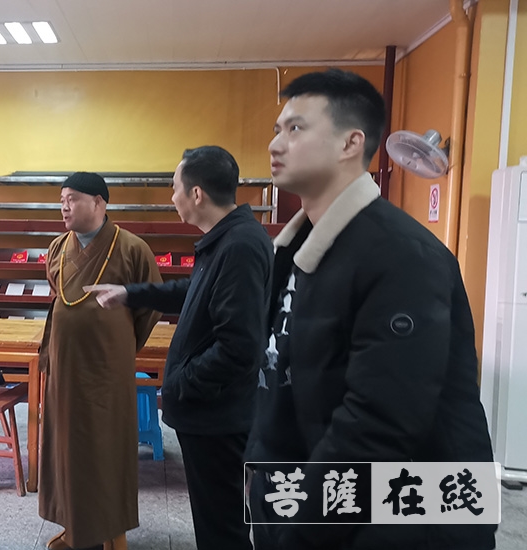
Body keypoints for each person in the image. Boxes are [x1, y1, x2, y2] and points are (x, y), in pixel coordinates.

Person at [244, 69, 496, 550]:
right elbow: (280, 373)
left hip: (398, 521)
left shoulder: (401, 255)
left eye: (295, 128)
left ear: (350, 143)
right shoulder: (296, 248)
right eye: (277, 129)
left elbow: (379, 423)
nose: (276, 144)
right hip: (310, 502)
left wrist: (302, 533)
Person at [89, 146, 273, 550]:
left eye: (175, 188)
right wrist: (130, 293)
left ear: (197, 194)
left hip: (216, 417)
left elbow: (238, 347)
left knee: (222, 529)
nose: (172, 197)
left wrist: (179, 384)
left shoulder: (239, 246)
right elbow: (193, 291)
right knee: (216, 522)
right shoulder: (226, 239)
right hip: (211, 412)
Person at [38, 172, 163, 550]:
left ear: (99, 202)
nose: (64, 207)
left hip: (107, 370)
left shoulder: (132, 248)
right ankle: (74, 527)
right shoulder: (57, 247)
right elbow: (59, 292)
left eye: (72, 199)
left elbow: (150, 306)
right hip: (65, 369)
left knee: (104, 451)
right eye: (61, 200)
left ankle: (108, 531)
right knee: (66, 449)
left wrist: (117, 342)